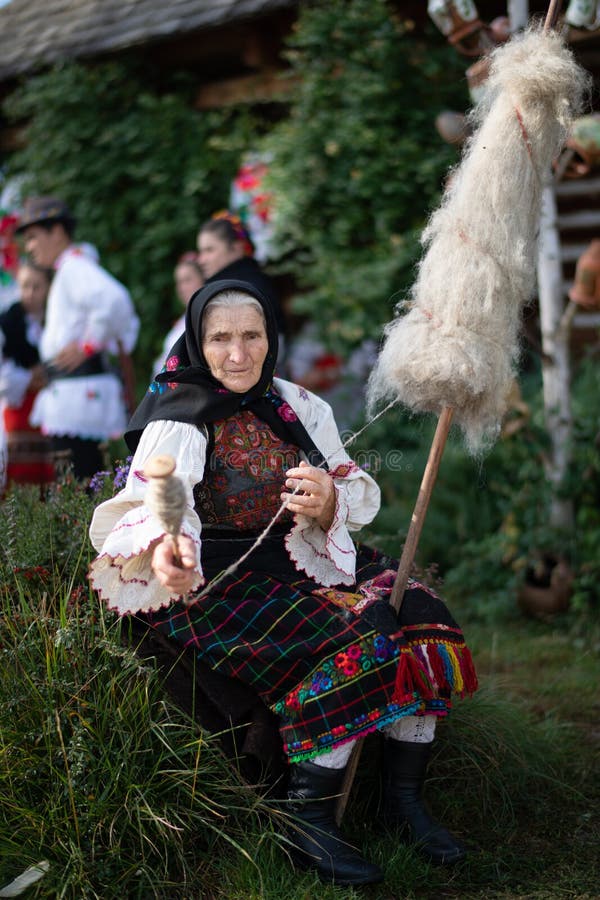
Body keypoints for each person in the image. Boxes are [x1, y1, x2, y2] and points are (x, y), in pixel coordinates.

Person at [88, 280, 478, 887]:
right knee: (360, 641)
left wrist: (328, 503)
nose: (238, 354)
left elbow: (346, 481)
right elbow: (161, 499)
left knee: (427, 619)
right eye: (221, 338)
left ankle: (405, 802)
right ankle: (307, 817)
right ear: (197, 341)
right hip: (216, 575)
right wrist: (171, 542)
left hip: (301, 552)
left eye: (252, 336)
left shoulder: (297, 405)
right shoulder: (181, 415)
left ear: (271, 338)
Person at [16, 197, 140, 481]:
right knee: (80, 480)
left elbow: (114, 301)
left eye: (34, 237)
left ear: (57, 232)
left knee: (81, 481)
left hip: (78, 395)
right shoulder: (69, 269)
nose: (30, 246)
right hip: (73, 393)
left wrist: (88, 345)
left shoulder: (74, 268)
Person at [197, 210, 287, 363]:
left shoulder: (235, 288)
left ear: (237, 248)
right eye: (201, 251)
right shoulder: (254, 280)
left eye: (209, 250)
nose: (201, 260)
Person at [0, 260, 54, 488]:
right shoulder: (7, 323)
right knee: (19, 472)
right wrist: (32, 378)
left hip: (51, 408)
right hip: (19, 408)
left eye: (36, 286)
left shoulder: (55, 322)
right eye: (25, 286)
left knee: (50, 470)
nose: (30, 293)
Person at [152, 252, 203, 377]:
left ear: (203, 279)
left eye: (187, 280)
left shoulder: (206, 317)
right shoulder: (184, 319)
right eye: (179, 282)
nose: (182, 288)